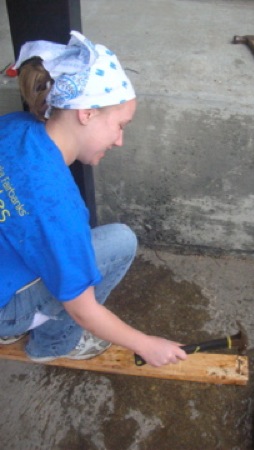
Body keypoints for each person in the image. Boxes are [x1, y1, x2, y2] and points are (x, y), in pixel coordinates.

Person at [0, 31, 187, 367]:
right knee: (119, 241)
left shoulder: (12, 127)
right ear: (86, 113)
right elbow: (83, 310)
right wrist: (146, 344)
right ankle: (53, 344)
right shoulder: (59, 206)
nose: (120, 141)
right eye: (119, 125)